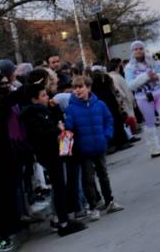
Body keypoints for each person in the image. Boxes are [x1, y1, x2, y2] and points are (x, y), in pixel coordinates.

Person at [22, 82, 86, 236]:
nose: (47, 98)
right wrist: (58, 130)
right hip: (49, 153)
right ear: (34, 99)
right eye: (43, 95)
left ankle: (65, 218)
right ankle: (63, 222)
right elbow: (45, 133)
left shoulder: (44, 111)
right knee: (58, 187)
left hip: (55, 151)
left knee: (61, 186)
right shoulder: (33, 115)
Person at [64, 75, 123, 218]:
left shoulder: (100, 104)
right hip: (83, 149)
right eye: (75, 88)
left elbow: (108, 120)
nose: (77, 90)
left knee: (103, 175)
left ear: (88, 87)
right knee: (88, 179)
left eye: (80, 87)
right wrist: (65, 150)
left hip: (99, 145)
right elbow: (68, 129)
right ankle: (93, 206)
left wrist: (107, 136)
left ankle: (110, 201)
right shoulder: (71, 108)